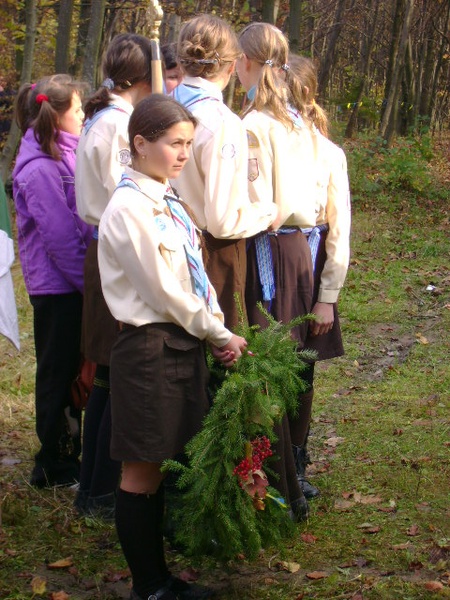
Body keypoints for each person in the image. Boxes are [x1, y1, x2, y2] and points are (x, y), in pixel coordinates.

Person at [98, 93, 246, 600]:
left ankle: (160, 577)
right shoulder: (129, 208)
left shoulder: (165, 197)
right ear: (140, 144)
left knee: (159, 466)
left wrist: (211, 328)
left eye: (188, 144)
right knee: (141, 469)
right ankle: (149, 586)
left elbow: (192, 274)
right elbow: (163, 290)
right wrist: (219, 332)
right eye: (173, 144)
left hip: (177, 345)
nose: (184, 154)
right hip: (148, 350)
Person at [236, 22, 319, 518]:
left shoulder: (256, 124)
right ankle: (292, 475)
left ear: (245, 62)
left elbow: (265, 201)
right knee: (291, 366)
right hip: (299, 249)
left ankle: (279, 485)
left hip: (269, 248)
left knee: (271, 366)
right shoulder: (296, 119)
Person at [74, 33, 153, 518]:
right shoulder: (116, 125)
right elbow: (125, 192)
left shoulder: (107, 117)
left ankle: (94, 485)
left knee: (107, 371)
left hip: (108, 245)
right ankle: (99, 487)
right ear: (143, 76)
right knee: (111, 370)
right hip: (114, 248)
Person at [12, 75, 93, 487]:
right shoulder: (40, 168)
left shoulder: (66, 154)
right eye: (78, 109)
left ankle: (69, 455)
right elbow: (61, 238)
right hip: (59, 288)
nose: (83, 115)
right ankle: (53, 464)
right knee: (58, 375)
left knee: (75, 372)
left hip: (73, 285)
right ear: (56, 115)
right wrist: (91, 285)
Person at [172, 14, 277, 329]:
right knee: (218, 365)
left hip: (164, 250)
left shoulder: (159, 106)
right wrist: (266, 212)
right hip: (211, 257)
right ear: (233, 66)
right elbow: (222, 220)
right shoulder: (221, 122)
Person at [287, 54, 351, 498]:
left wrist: (326, 295)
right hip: (261, 269)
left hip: (306, 275)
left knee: (301, 370)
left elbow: (338, 230)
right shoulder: (254, 138)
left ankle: (296, 462)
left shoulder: (328, 153)